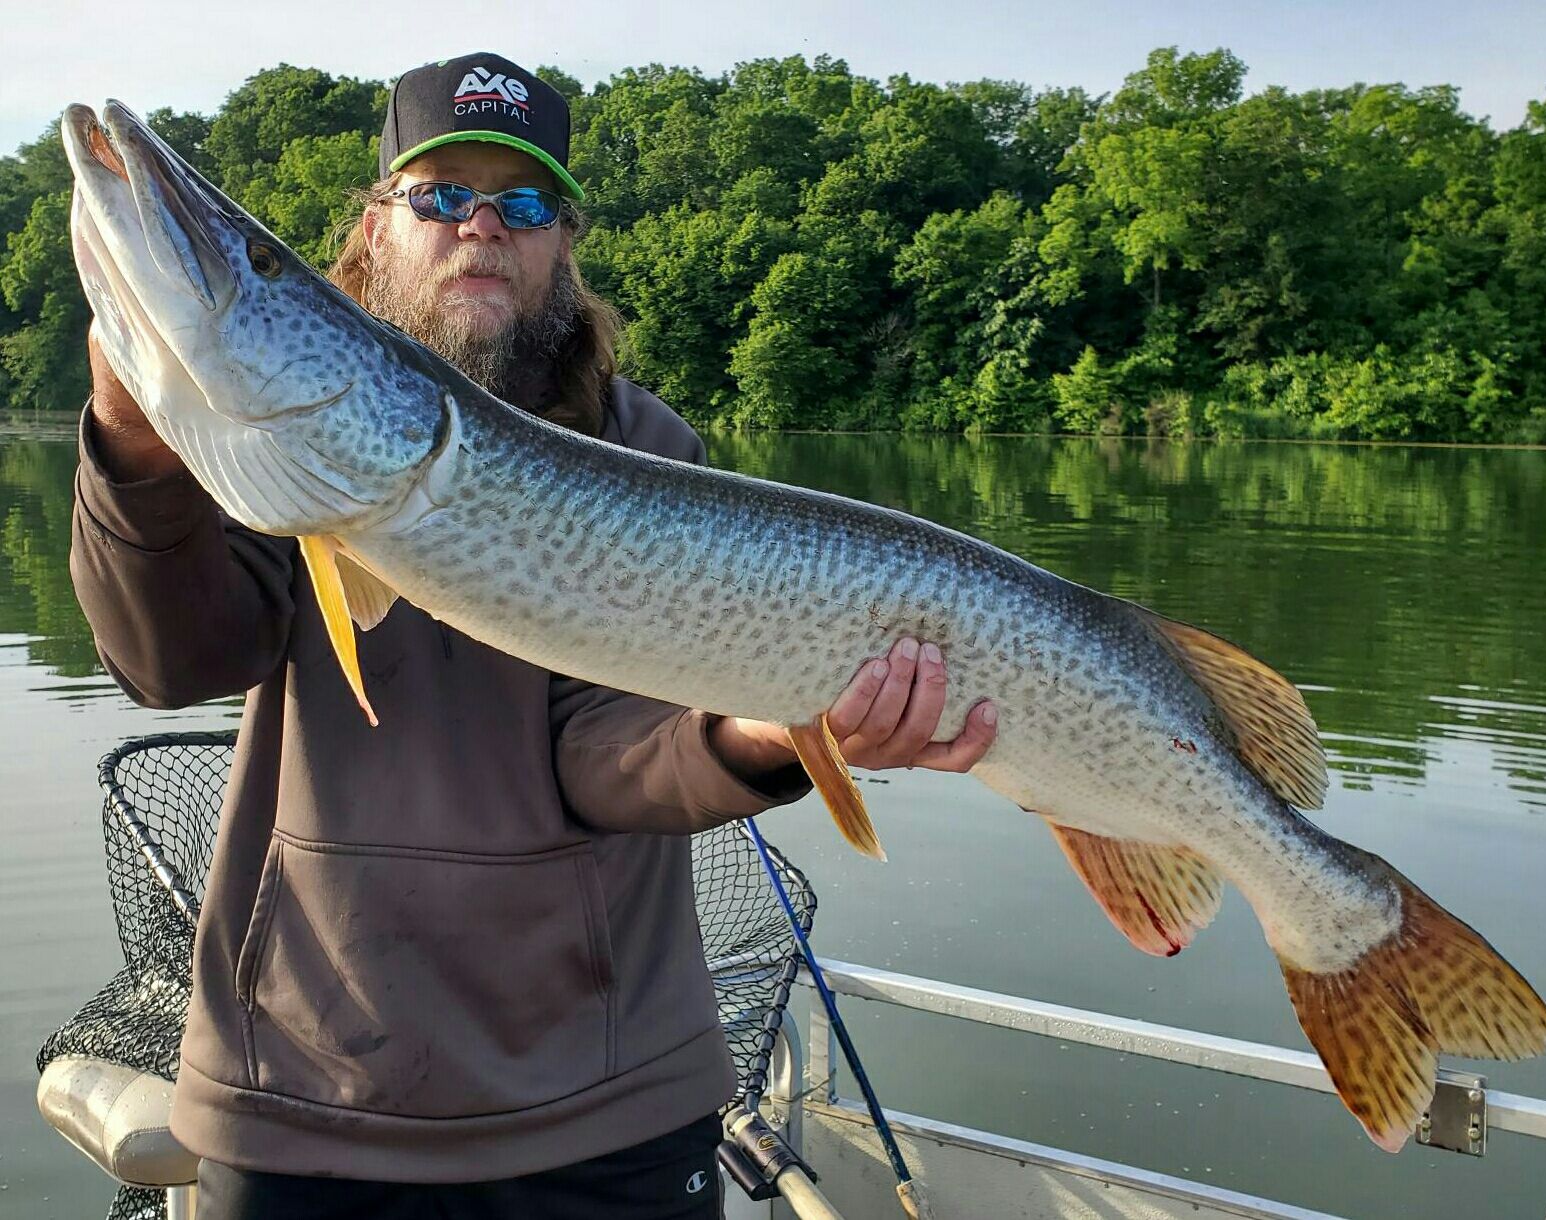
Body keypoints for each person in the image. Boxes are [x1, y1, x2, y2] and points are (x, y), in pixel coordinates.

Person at [70, 51, 999, 1220]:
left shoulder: (646, 448)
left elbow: (608, 751)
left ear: (562, 239)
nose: (480, 228)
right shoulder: (274, 446)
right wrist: (134, 441)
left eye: (520, 205)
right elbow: (171, 663)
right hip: (304, 1097)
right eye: (440, 196)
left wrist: (762, 733)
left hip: (610, 1101)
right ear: (376, 228)